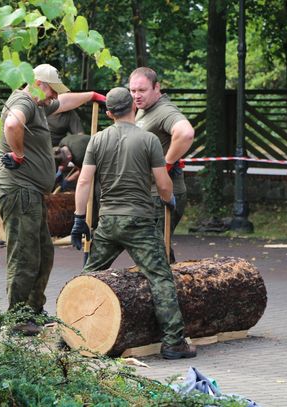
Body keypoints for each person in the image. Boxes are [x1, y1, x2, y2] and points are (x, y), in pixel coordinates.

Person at [70, 87, 196, 360]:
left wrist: (79, 219)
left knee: (89, 275)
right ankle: (174, 343)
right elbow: (163, 183)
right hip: (139, 220)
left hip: (107, 221)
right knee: (161, 277)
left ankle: (70, 333)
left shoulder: (97, 139)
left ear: (108, 113)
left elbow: (83, 181)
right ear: (133, 108)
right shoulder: (149, 140)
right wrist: (169, 199)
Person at [0, 63, 106, 335]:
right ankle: (17, 318)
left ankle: (33, 310)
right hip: (19, 191)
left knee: (43, 253)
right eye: (52, 91)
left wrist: (90, 96)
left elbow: (63, 102)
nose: (54, 97)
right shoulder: (24, 101)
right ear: (39, 83)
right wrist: (18, 154)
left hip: (31, 194)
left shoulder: (39, 104)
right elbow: (12, 123)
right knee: (25, 255)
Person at [129, 67, 194, 263]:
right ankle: (174, 289)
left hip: (162, 197)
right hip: (149, 194)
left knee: (153, 253)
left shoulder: (164, 110)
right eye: (132, 91)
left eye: (142, 90)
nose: (136, 96)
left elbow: (186, 133)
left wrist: (166, 164)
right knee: (157, 251)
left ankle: (167, 291)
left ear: (156, 88)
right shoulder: (144, 109)